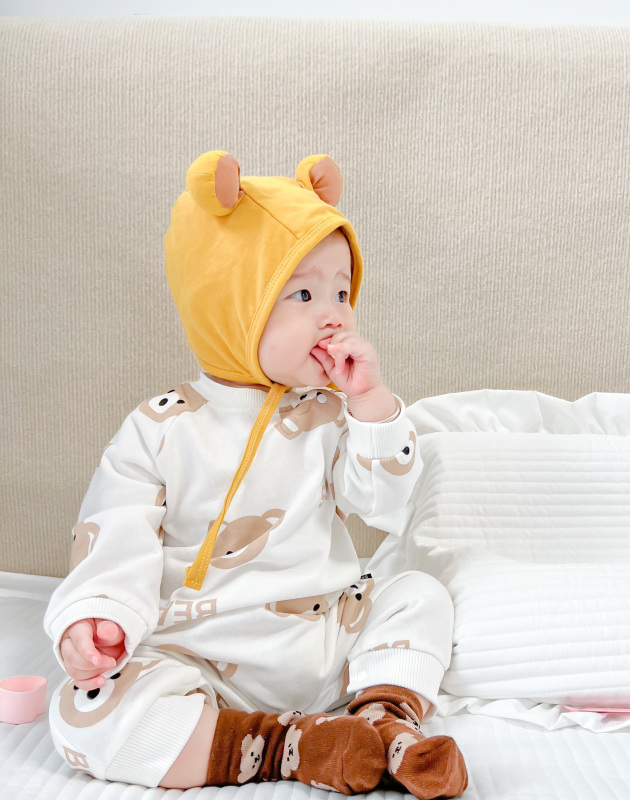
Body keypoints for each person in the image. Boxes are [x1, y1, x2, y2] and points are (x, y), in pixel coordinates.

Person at [44, 151, 468, 799]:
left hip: (323, 640)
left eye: (342, 293)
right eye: (303, 294)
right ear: (230, 305)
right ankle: (285, 746)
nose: (334, 314)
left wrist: (371, 406)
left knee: (420, 593)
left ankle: (383, 716)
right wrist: (98, 618)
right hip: (200, 660)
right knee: (86, 717)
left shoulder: (332, 415)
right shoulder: (164, 426)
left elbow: (384, 506)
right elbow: (114, 533)